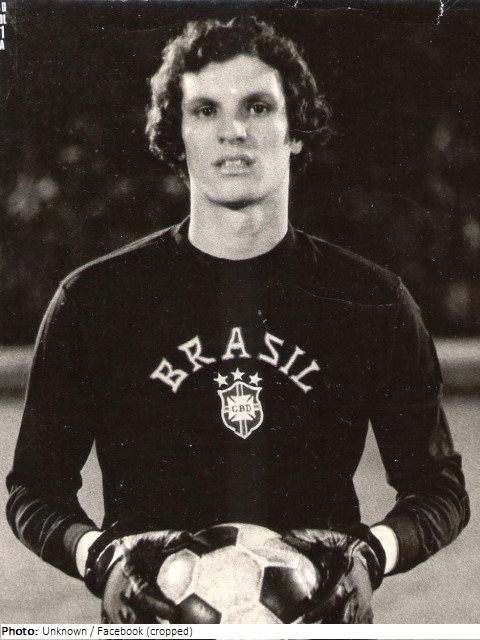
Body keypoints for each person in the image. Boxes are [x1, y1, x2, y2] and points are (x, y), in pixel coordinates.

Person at [6, 16, 469, 624]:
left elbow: (439, 489)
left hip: (316, 621)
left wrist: (371, 555)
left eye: (257, 106)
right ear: (176, 136)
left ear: (294, 130)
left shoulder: (371, 300)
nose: (233, 131)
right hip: (156, 623)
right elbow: (34, 490)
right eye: (205, 111)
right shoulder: (95, 300)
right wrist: (102, 559)